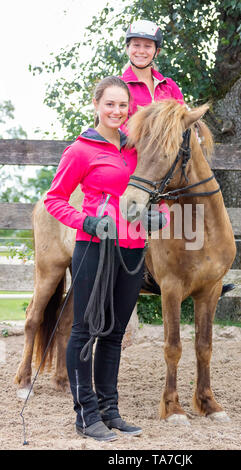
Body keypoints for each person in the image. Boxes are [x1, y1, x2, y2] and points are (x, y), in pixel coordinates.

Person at [44, 76, 169, 442]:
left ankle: (109, 410)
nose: (117, 111)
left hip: (133, 250)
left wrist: (156, 216)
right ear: (96, 105)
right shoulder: (80, 150)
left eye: (122, 105)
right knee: (85, 330)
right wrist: (85, 220)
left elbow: (154, 191)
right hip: (95, 248)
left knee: (114, 333)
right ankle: (85, 414)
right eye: (110, 104)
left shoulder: (137, 149)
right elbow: (55, 199)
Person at [120, 19, 235, 298]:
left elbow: (183, 120)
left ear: (156, 51)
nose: (141, 51)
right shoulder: (120, 86)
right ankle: (138, 269)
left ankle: (204, 267)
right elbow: (118, 123)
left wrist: (192, 137)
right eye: (136, 45)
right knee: (134, 202)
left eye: (147, 46)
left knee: (195, 191)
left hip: (166, 159)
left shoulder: (168, 85)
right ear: (127, 48)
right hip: (134, 157)